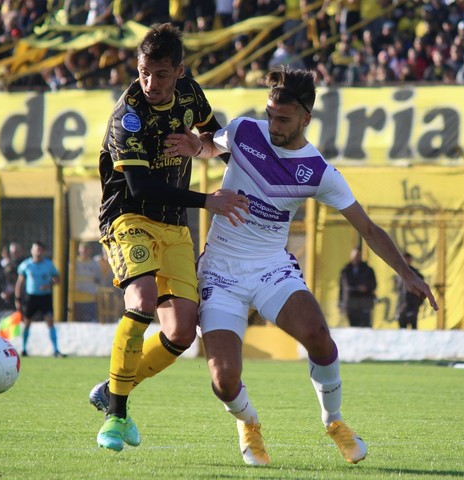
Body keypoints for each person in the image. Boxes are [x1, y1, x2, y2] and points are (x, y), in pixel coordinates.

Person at [164, 67, 438, 466]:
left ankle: (334, 421)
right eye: (270, 115)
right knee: (223, 381)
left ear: (305, 118)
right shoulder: (244, 130)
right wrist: (197, 146)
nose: (273, 125)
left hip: (271, 268)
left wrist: (408, 275)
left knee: (319, 336)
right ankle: (248, 422)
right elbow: (211, 146)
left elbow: (368, 229)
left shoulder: (319, 171)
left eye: (283, 119)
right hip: (221, 270)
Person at [88, 23, 249, 452]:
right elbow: (141, 188)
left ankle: (112, 389)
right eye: (144, 73)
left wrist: (202, 146)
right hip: (128, 217)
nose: (150, 84)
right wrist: (207, 201)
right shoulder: (128, 117)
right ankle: (116, 415)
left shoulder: (191, 94)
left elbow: (219, 139)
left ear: (179, 71)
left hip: (174, 225)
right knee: (141, 300)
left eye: (160, 74)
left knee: (180, 332)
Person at [14, 241, 65, 357]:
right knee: (27, 323)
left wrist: (49, 285)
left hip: (45, 297)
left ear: (43, 251)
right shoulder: (26, 265)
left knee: (50, 321)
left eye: (40, 250)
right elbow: (20, 282)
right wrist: (17, 298)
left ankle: (56, 350)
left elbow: (57, 279)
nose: (38, 252)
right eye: (36, 249)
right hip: (31, 297)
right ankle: (24, 349)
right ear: (32, 251)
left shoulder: (48, 264)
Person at [339, 247, 377, 328]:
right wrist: (341, 303)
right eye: (354, 256)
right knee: (353, 327)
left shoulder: (368, 270)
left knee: (365, 326)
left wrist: (366, 288)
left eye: (357, 256)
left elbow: (373, 285)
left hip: (364, 303)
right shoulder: (346, 270)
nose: (355, 258)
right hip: (351, 303)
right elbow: (342, 288)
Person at [394, 252, 425, 329]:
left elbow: (422, 292)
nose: (405, 261)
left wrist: (417, 303)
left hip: (412, 306)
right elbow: (398, 291)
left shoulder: (416, 274)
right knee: (402, 331)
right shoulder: (399, 274)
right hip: (401, 307)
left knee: (413, 330)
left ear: (410, 260)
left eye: (406, 259)